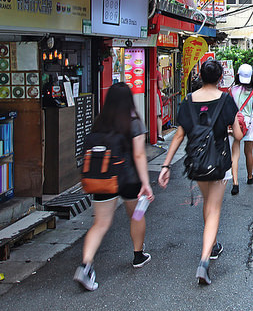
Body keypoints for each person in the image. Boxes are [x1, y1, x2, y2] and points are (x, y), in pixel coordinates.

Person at [158, 59, 243, 285]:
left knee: (208, 204)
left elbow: (178, 136)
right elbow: (238, 135)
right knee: (214, 209)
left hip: (196, 163)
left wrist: (165, 166)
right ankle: (204, 261)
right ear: (219, 78)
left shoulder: (188, 101)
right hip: (218, 162)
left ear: (201, 77)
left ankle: (213, 244)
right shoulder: (226, 100)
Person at [73, 82, 154, 292]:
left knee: (100, 223)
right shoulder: (133, 121)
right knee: (136, 215)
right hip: (128, 178)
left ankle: (85, 265)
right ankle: (138, 255)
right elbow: (138, 154)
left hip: (104, 177)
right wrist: (146, 183)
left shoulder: (100, 122)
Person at [229, 64, 253, 195]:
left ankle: (235, 183)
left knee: (235, 153)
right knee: (248, 152)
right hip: (249, 124)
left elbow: (229, 109)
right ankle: (250, 177)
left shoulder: (231, 90)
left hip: (236, 122)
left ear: (237, 75)